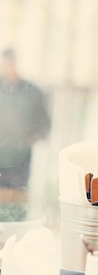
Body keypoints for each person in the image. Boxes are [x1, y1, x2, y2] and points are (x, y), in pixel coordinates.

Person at [0, 48, 51, 190]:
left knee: (18, 198)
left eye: (12, 64)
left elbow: (45, 122)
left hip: (21, 162)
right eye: (6, 64)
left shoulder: (33, 92)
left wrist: (32, 138)